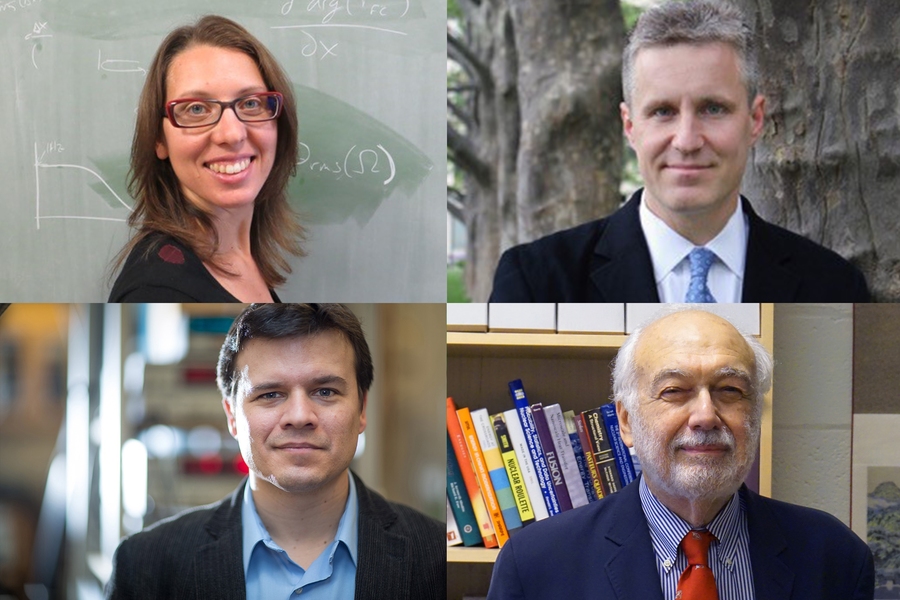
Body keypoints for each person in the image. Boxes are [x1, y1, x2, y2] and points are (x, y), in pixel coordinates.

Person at [489, 0, 870, 302]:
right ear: (630, 126)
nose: (686, 140)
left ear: (755, 120)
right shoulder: (536, 283)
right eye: (663, 112)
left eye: (713, 108)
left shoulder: (834, 288)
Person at [487, 308, 874, 599]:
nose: (706, 415)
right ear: (625, 422)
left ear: (755, 415)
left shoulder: (834, 556)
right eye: (674, 391)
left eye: (730, 390)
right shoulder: (535, 563)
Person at [106, 304, 445, 599]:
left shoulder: (436, 558)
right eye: (270, 395)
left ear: (362, 410)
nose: (299, 416)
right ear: (232, 416)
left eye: (325, 391)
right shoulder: (145, 566)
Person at [108, 16, 304, 302]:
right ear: (159, 140)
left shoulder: (243, 261)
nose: (232, 134)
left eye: (251, 103)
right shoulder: (155, 293)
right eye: (197, 109)